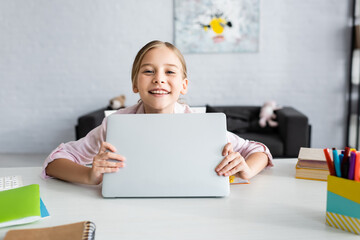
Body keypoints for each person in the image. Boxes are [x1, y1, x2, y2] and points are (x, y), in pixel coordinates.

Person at [42, 40, 273, 185]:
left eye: (170, 72)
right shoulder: (115, 124)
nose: (159, 78)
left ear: (184, 85)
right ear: (135, 85)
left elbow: (258, 150)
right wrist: (89, 176)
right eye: (149, 71)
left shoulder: (200, 124)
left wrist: (247, 169)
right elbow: (54, 160)